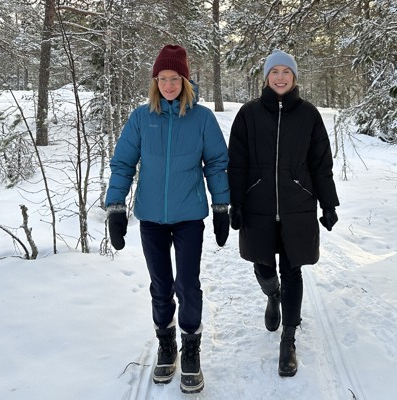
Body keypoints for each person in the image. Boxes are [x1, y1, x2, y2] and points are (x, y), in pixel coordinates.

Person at [104, 44, 230, 394]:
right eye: (163, 78)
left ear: (185, 80)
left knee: (187, 286)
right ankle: (166, 344)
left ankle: (191, 349)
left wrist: (221, 207)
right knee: (160, 286)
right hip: (152, 220)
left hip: (189, 217)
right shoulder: (141, 118)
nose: (169, 84)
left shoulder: (202, 118)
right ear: (155, 80)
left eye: (175, 78)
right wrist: (116, 205)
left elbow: (217, 164)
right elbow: (123, 163)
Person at [227, 49, 339, 377]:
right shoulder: (248, 115)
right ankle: (272, 295)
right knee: (263, 266)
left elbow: (322, 165)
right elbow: (237, 164)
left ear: (294, 77)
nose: (280, 77)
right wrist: (236, 202)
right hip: (257, 206)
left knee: (293, 270)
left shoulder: (309, 115)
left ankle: (288, 339)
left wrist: (328, 203)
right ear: (266, 77)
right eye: (274, 71)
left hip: (297, 207)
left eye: (285, 72)